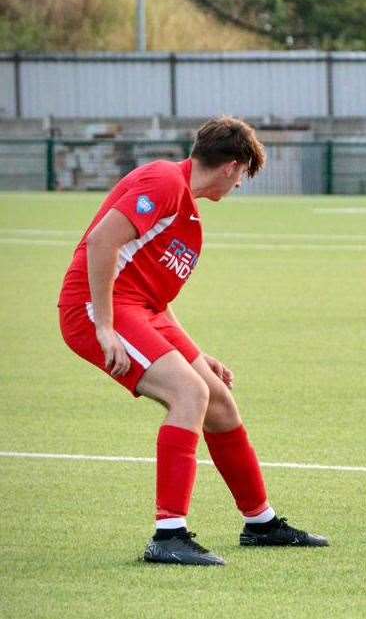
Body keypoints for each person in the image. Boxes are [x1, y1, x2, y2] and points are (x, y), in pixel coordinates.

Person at [57, 116, 328, 566]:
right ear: (231, 166)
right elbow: (103, 242)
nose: (241, 184)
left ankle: (261, 522)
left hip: (137, 309)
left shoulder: (185, 208)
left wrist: (194, 351)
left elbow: (153, 300)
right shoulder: (165, 182)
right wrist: (104, 326)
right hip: (95, 306)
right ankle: (169, 534)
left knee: (218, 399)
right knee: (190, 392)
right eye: (244, 174)